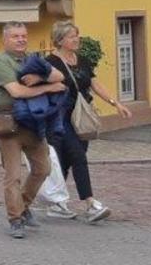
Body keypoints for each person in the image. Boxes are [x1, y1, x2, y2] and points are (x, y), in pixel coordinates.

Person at [45, 20, 130, 223]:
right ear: (60, 40)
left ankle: (57, 202)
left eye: (77, 35)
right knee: (78, 156)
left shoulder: (81, 59)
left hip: (81, 116)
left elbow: (93, 84)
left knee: (67, 160)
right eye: (72, 36)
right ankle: (90, 203)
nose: (77, 39)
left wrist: (115, 103)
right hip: (60, 117)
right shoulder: (50, 62)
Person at [0, 21, 67, 239]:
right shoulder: (0, 61)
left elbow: (60, 76)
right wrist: (49, 87)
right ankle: (15, 219)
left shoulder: (33, 58)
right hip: (9, 126)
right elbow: (17, 91)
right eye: (16, 36)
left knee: (43, 168)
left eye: (23, 35)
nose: (21, 39)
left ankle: (23, 206)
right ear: (5, 39)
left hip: (33, 123)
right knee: (13, 176)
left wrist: (39, 77)